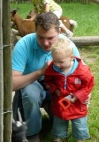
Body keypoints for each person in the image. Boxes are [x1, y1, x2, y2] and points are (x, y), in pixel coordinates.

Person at [12, 11, 80, 142]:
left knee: (59, 123)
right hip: (31, 85)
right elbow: (12, 84)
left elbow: (81, 77)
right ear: (35, 31)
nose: (46, 43)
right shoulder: (24, 44)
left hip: (58, 88)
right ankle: (32, 134)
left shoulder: (68, 46)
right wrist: (40, 72)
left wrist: (80, 97)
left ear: (59, 31)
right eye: (41, 37)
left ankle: (55, 118)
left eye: (50, 38)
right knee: (30, 93)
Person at [44, 38, 94, 142]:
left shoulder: (82, 71)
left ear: (71, 57)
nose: (57, 64)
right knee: (59, 119)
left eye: (61, 62)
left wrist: (79, 95)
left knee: (79, 121)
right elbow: (48, 80)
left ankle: (79, 138)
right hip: (60, 101)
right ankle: (58, 137)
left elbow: (88, 85)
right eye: (55, 61)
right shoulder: (52, 69)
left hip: (77, 103)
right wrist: (54, 88)